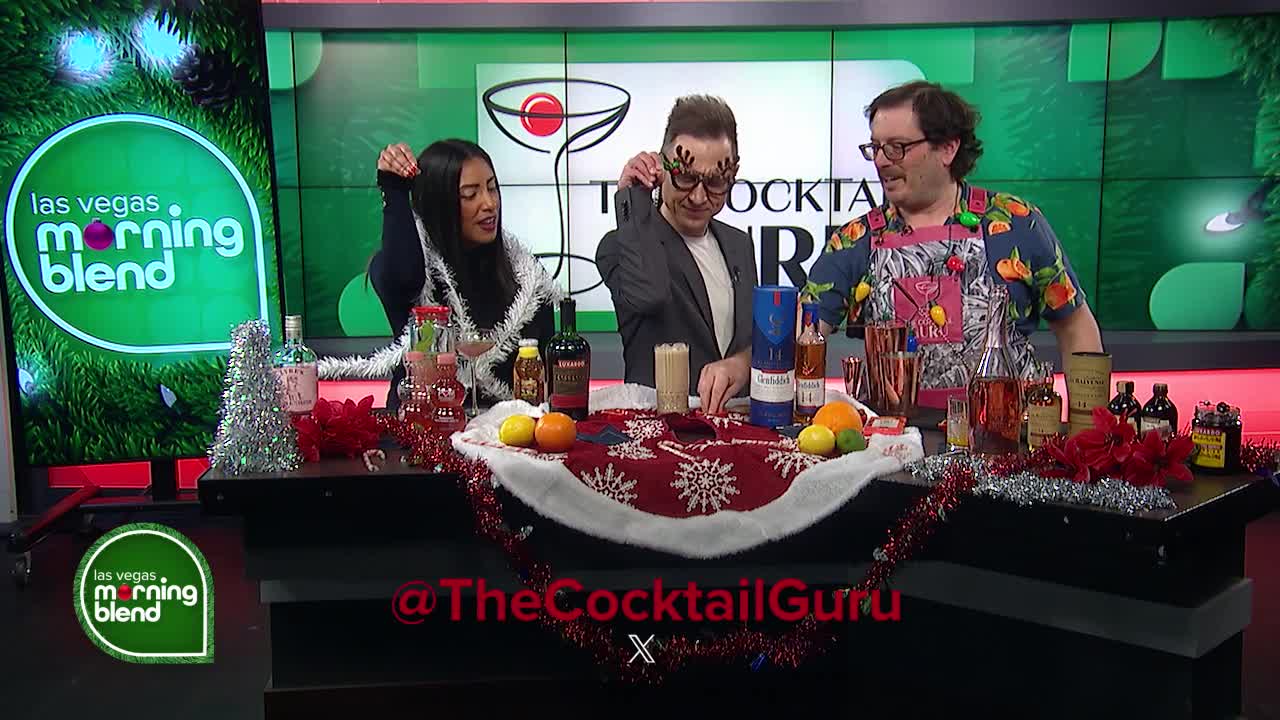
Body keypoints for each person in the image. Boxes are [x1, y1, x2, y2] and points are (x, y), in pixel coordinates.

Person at [808, 81, 1103, 407]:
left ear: (948, 148)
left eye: (897, 147)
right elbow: (806, 331)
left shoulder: (1015, 221)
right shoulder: (855, 239)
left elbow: (1075, 326)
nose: (881, 161)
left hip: (1008, 430)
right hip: (893, 434)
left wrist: (1089, 424)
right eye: (876, 147)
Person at [318, 139, 562, 412]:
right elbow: (403, 276)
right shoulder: (410, 266)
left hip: (509, 429)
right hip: (423, 425)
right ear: (439, 203)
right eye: (470, 194)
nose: (489, 203)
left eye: (492, 188)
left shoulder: (525, 274)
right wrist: (394, 189)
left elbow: (548, 369)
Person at [596, 95, 759, 415]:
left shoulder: (739, 244)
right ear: (661, 166)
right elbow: (649, 295)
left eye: (715, 182)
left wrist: (740, 365)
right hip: (658, 430)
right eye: (685, 177)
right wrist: (634, 196)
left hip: (736, 430)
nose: (698, 197)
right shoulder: (620, 245)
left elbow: (751, 340)